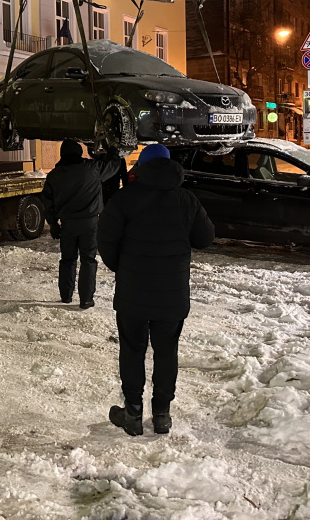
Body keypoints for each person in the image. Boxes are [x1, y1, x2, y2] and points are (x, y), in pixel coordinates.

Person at [97, 143, 214, 436]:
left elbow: (106, 241)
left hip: (133, 293)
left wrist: (122, 269)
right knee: (166, 352)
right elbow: (205, 238)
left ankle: (133, 413)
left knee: (132, 350)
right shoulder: (186, 199)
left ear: (142, 167)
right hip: (171, 294)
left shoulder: (124, 199)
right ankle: (162, 414)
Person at [41, 140, 122, 309]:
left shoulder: (54, 175)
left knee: (67, 259)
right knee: (88, 260)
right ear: (79, 152)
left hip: (68, 224)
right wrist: (111, 150)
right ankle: (86, 299)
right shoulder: (93, 168)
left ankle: (66, 296)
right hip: (90, 223)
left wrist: (53, 223)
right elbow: (113, 166)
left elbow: (47, 201)